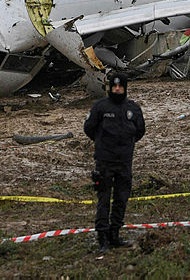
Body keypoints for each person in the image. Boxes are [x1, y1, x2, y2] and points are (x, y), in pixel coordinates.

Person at [84, 72, 145, 253]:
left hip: (125, 162)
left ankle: (115, 234)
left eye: (120, 86)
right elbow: (89, 128)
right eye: (114, 86)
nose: (117, 89)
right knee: (104, 200)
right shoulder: (100, 107)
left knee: (121, 199)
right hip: (104, 162)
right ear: (110, 87)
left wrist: (126, 144)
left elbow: (140, 131)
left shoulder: (133, 109)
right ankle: (102, 238)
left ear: (125, 88)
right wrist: (103, 144)